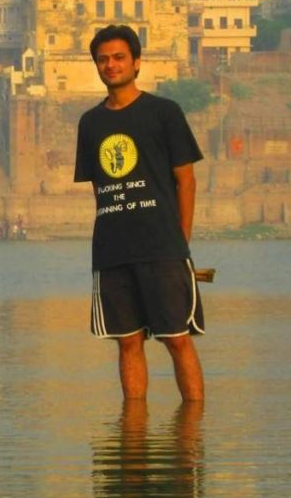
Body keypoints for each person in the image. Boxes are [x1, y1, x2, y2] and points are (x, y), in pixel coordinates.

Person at [74, 25, 205, 402]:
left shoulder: (163, 113)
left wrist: (180, 243)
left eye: (118, 58)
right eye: (103, 59)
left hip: (163, 246)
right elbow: (101, 189)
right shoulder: (91, 123)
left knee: (176, 339)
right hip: (113, 252)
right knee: (128, 342)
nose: (111, 65)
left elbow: (186, 180)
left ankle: (193, 437)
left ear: (136, 63)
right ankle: (133, 438)